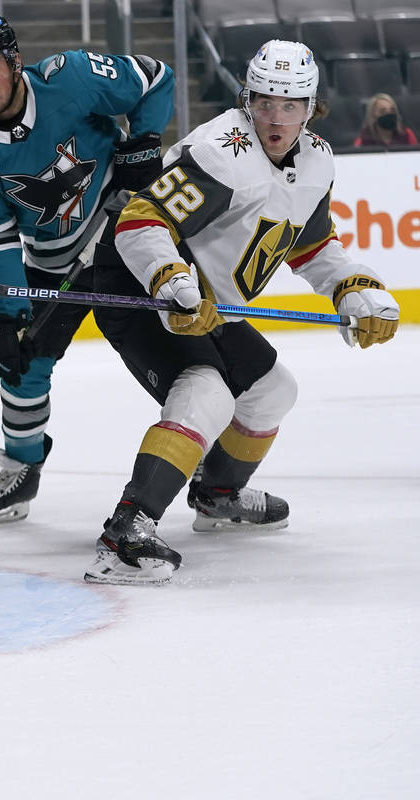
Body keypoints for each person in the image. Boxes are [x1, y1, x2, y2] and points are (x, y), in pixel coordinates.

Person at [85, 40, 400, 585]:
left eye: (290, 105)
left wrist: (353, 288)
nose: (275, 118)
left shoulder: (318, 160)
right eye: (264, 103)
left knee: (273, 390)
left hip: (211, 299)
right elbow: (140, 221)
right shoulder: (220, 152)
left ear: (311, 107)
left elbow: (309, 244)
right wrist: (171, 282)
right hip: (141, 286)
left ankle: (217, 494)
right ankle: (125, 534)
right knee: (206, 389)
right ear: (245, 99)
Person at [0, 13, 173, 526]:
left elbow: (156, 78)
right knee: (24, 360)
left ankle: (207, 460)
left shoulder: (73, 78)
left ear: (14, 62)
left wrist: (145, 143)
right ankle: (22, 467)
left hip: (127, 234)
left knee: (176, 345)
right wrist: (9, 314)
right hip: (52, 262)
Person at [352, 92, 418, 150]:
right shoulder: (363, 141)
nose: (389, 114)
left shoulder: (407, 134)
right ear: (373, 117)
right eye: (382, 111)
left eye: (392, 110)